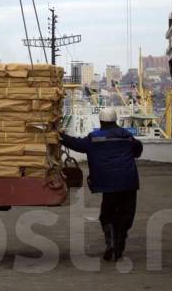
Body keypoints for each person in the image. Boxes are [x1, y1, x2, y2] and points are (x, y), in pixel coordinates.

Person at [60, 108, 143, 261]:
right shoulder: (126, 136)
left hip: (106, 183)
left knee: (107, 214)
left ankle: (110, 241)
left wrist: (59, 136)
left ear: (100, 121)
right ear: (115, 120)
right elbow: (138, 150)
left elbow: (76, 144)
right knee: (126, 215)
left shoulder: (94, 138)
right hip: (128, 182)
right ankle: (119, 244)